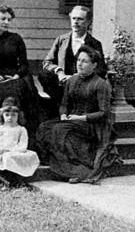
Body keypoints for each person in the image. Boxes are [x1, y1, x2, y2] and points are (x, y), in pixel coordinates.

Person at [36, 45, 120, 184]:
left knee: (59, 130)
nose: (80, 64)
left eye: (85, 61)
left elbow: (103, 113)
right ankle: (56, 164)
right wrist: (63, 115)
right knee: (44, 127)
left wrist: (80, 118)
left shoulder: (100, 84)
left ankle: (79, 172)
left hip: (92, 125)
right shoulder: (72, 80)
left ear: (94, 65)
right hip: (71, 120)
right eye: (78, 60)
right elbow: (64, 104)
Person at [0, 5, 46, 133]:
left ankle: (19, 127)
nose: (7, 22)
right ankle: (2, 126)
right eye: (3, 19)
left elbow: (24, 64)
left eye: (9, 20)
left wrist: (16, 75)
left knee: (18, 88)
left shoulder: (16, 39)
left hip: (15, 76)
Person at [41, 6, 104, 112]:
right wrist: (59, 71)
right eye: (73, 18)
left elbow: (101, 69)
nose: (76, 22)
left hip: (82, 84)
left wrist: (80, 75)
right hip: (62, 84)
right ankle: (58, 109)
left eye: (80, 19)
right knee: (44, 76)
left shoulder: (95, 44)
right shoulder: (61, 40)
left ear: (88, 22)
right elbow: (47, 62)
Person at [0, 98, 40, 186]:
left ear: (19, 116)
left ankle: (12, 179)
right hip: (0, 151)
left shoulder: (21, 129)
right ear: (2, 116)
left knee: (11, 157)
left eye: (13, 115)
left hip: (14, 152)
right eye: (7, 115)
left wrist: (10, 151)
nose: (10, 117)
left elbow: (23, 145)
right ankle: (6, 179)